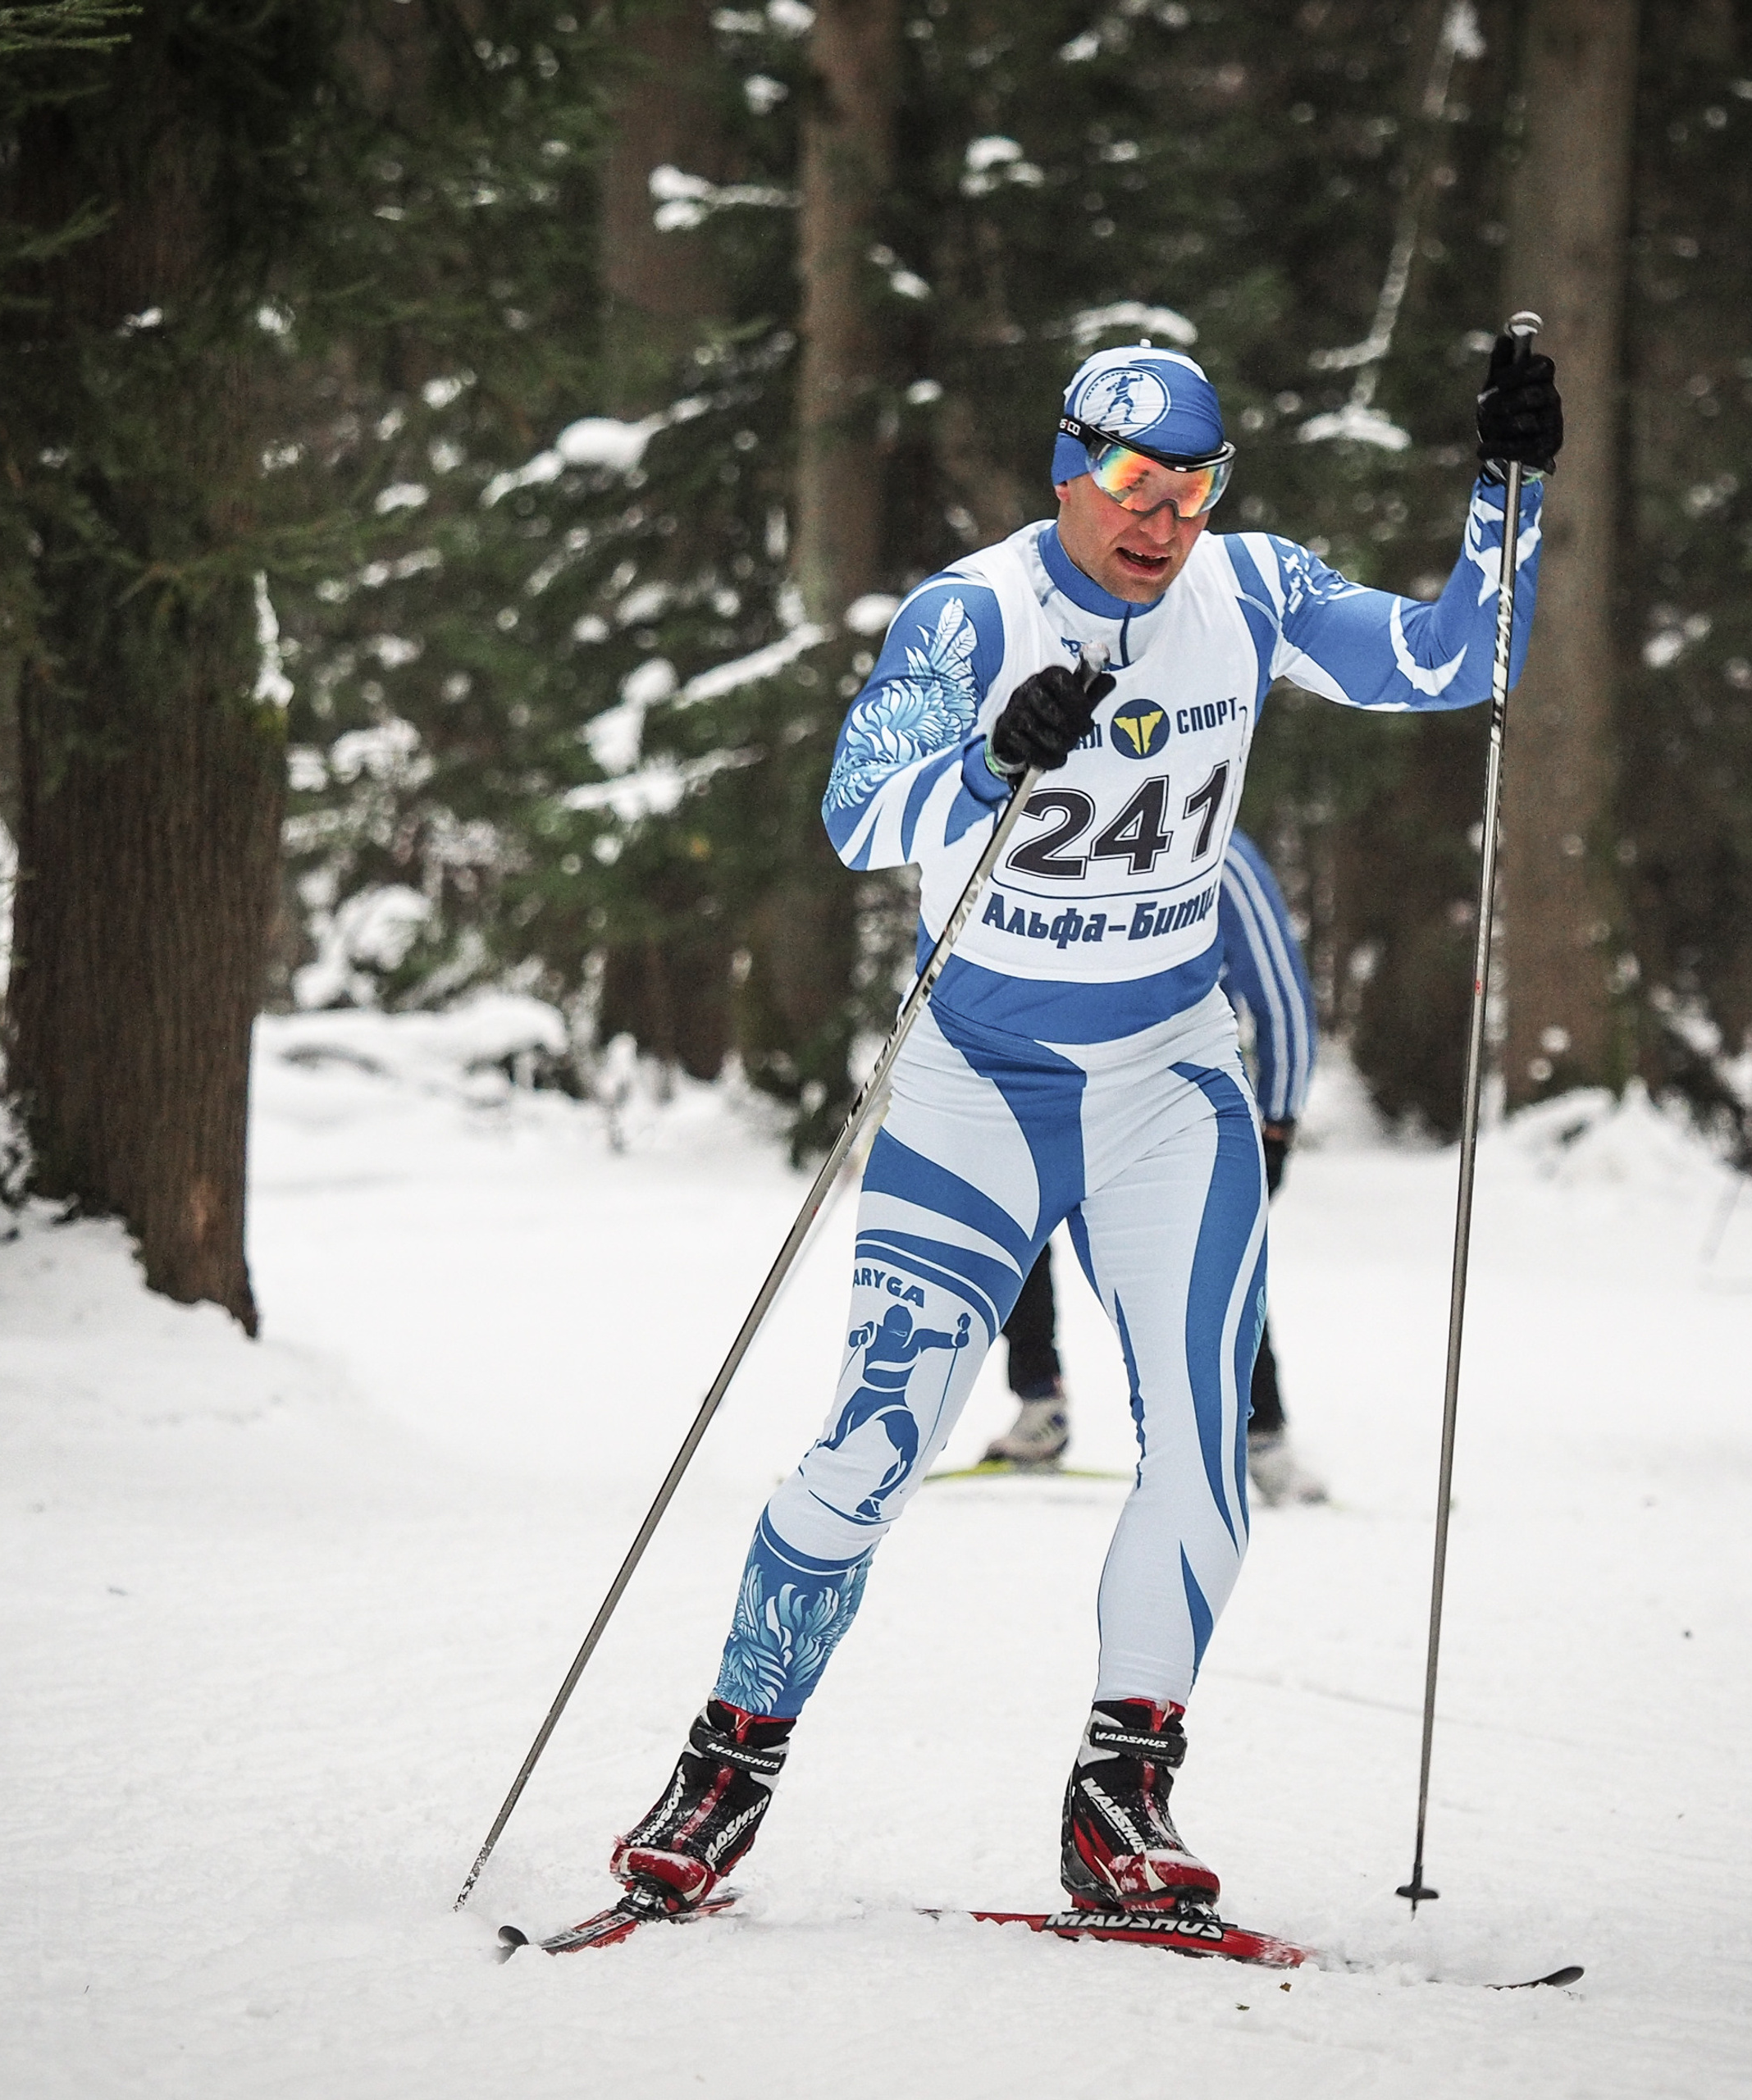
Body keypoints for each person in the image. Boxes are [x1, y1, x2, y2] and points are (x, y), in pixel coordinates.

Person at [609, 334, 1559, 1923]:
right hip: (970, 1083)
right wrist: (987, 759)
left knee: (1201, 1447)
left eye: (1191, 485)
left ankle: (1121, 1795)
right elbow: (855, 807)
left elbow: (1457, 661)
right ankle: (724, 1762)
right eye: (1129, 480)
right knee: (869, 1445)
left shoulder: (1247, 592)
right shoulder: (971, 610)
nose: (1159, 515)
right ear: (1065, 470)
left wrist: (1504, 493)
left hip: (1161, 1084)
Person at [983, 827, 1328, 1506]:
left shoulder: (1218, 849)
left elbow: (1281, 995)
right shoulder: (1045, 828)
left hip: (1169, 1100)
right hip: (1044, 1081)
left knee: (1209, 1258)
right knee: (1006, 1224)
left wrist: (1279, 1120)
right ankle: (1038, 1404)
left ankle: (1263, 1439)